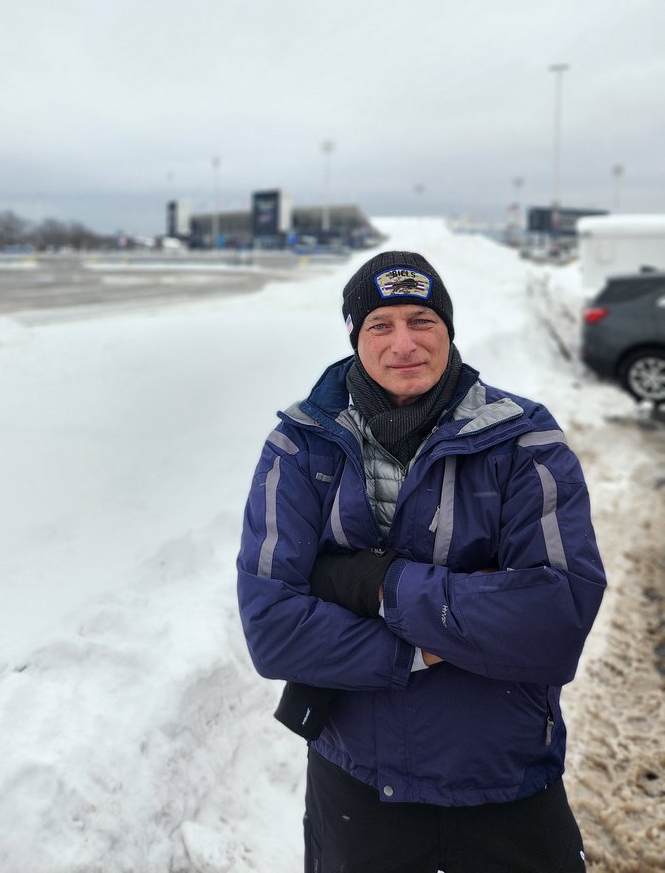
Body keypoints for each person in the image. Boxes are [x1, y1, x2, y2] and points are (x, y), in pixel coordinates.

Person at [237, 250, 606, 873]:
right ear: (356, 337)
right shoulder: (300, 447)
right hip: (357, 787)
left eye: (422, 320)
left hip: (505, 778)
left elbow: (556, 615)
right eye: (381, 325)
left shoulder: (523, 440)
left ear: (448, 330)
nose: (404, 343)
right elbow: (273, 631)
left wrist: (375, 584)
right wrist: (431, 641)